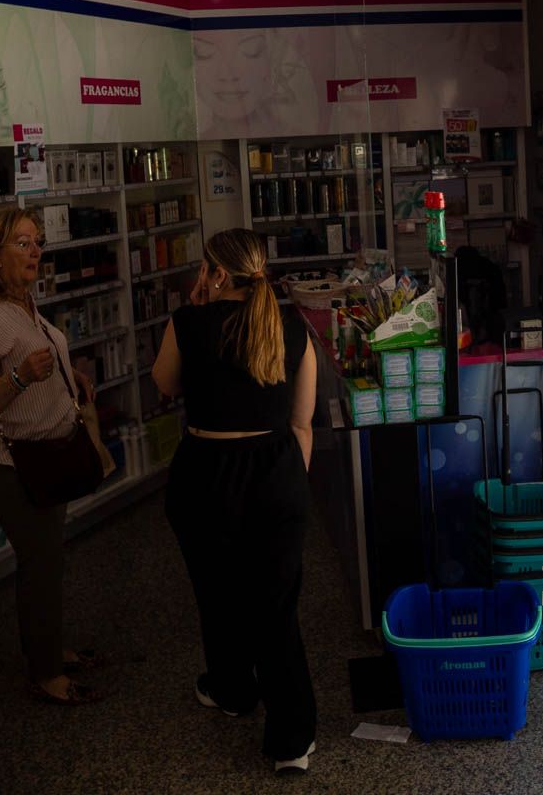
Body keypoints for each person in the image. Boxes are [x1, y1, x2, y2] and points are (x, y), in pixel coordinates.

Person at [152, 229, 318, 774]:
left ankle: (233, 690)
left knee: (217, 593)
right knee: (276, 607)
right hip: (276, 475)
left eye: (204, 267)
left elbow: (165, 384)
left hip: (205, 475)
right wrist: (289, 484)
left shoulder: (188, 323)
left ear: (217, 273)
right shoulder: (293, 328)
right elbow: (302, 422)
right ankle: (292, 741)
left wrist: (197, 310)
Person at [0, 206, 99, 705]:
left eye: (37, 242)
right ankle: (45, 673)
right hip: (12, 463)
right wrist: (20, 378)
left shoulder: (21, 302)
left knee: (47, 561)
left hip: (45, 456)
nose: (36, 251)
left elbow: (37, 354)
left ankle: (47, 648)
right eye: (22, 243)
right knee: (40, 563)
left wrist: (67, 375)